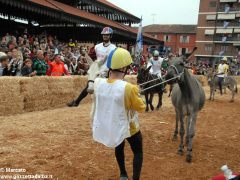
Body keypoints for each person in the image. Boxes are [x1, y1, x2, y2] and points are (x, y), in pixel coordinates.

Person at [92, 48, 145, 180]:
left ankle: (122, 174)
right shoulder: (129, 88)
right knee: (138, 152)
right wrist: (138, 94)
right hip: (130, 128)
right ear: (124, 68)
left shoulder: (98, 83)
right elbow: (141, 107)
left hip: (113, 126)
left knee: (119, 147)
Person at [67, 27, 116, 107]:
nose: (105, 36)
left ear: (110, 36)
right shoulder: (97, 47)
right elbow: (91, 57)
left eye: (107, 35)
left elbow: (114, 60)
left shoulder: (113, 48)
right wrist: (86, 61)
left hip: (108, 71)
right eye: (104, 35)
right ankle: (76, 102)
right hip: (97, 69)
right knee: (89, 86)